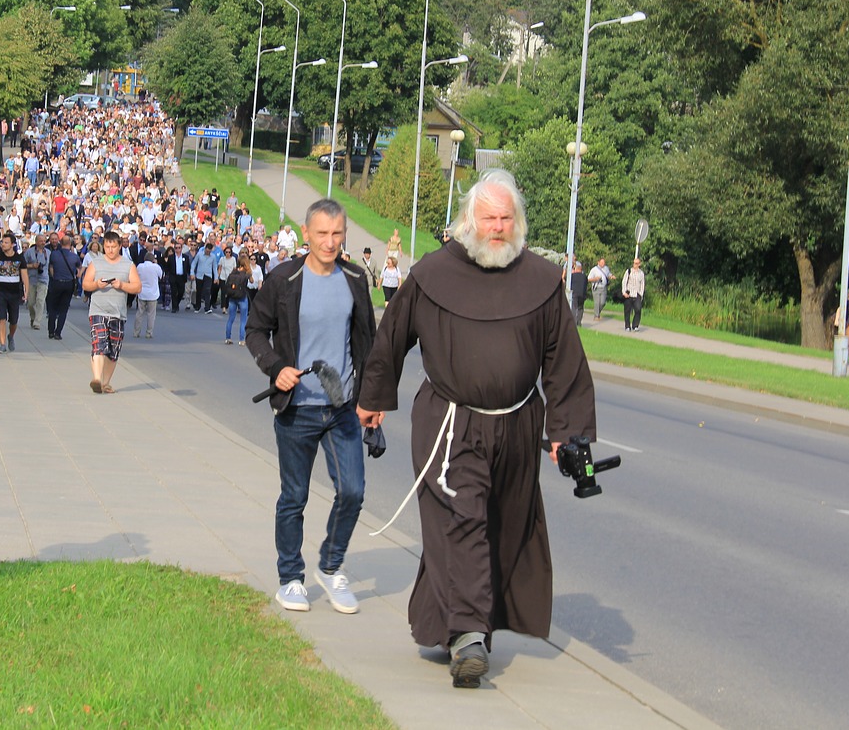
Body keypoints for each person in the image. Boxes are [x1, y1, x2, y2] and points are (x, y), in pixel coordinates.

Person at [356, 168, 597, 689]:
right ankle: (468, 637)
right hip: (451, 424)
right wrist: (374, 399)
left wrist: (566, 432)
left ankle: (449, 620)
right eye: (488, 217)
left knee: (501, 526)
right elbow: (391, 337)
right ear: (469, 219)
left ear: (519, 222)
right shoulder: (432, 274)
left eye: (506, 218)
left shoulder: (540, 281)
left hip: (516, 425)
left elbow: (563, 361)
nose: (498, 227)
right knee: (463, 519)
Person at [245, 198, 377, 617]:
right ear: (306, 233)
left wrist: (372, 399)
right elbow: (255, 331)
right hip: (297, 407)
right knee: (294, 497)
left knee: (353, 491)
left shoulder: (355, 277)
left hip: (341, 406)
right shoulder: (285, 278)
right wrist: (276, 367)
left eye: (337, 233)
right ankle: (291, 579)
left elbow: (368, 343)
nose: (330, 241)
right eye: (322, 233)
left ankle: (331, 566)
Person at [82, 230, 141, 394]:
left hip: (118, 312)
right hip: (98, 310)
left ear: (119, 246)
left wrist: (121, 285)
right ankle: (97, 379)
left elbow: (137, 287)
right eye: (107, 246)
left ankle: (105, 382)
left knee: (113, 349)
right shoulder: (96, 263)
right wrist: (96, 285)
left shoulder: (128, 265)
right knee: (99, 343)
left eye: (113, 246)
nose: (110, 250)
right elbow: (86, 284)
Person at [0, 232, 28, 354]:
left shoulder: (19, 258)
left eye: (6, 242)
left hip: (15, 293)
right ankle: (2, 344)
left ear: (13, 244)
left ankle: (11, 336)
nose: (3, 244)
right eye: (2, 242)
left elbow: (24, 276)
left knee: (14, 320)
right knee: (1, 318)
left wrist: (26, 291)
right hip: (1, 292)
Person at [45, 232, 80, 340]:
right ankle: (58, 332)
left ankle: (51, 331)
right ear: (70, 244)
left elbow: (51, 267)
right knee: (63, 309)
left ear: (60, 243)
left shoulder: (54, 254)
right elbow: (80, 269)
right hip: (69, 283)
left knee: (52, 307)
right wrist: (76, 276)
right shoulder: (74, 256)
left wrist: (54, 276)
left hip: (57, 282)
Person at [25, 234, 52, 332]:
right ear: (36, 242)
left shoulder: (48, 253)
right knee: (31, 303)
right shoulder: (29, 252)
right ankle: (33, 317)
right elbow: (22, 265)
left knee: (40, 301)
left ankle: (37, 322)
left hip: (44, 279)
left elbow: (50, 266)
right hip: (32, 279)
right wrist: (32, 265)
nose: (43, 243)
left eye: (44, 241)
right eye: (41, 241)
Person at [223, 252, 252, 345]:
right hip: (242, 297)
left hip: (232, 296)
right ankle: (242, 339)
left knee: (231, 318)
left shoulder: (234, 271)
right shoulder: (246, 273)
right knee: (243, 319)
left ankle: (228, 338)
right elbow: (252, 281)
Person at [134, 251, 163, 339]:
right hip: (152, 293)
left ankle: (136, 332)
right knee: (151, 314)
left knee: (140, 313)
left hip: (142, 292)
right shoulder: (156, 267)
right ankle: (149, 332)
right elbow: (161, 276)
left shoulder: (140, 266)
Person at [621, 258, 646, 332]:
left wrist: (641, 294)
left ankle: (635, 325)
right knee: (627, 310)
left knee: (638, 309)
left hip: (637, 293)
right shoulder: (629, 271)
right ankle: (627, 326)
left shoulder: (641, 273)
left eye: (637, 263)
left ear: (639, 264)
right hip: (629, 293)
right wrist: (624, 292)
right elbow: (624, 282)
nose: (635, 265)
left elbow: (642, 284)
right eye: (634, 263)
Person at [567, 259, 587, 326]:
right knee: (580, 308)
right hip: (582, 294)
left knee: (574, 307)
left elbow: (569, 284)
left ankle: (574, 322)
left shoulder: (572, 276)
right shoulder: (584, 276)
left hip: (574, 293)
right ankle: (579, 321)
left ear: (576, 268)